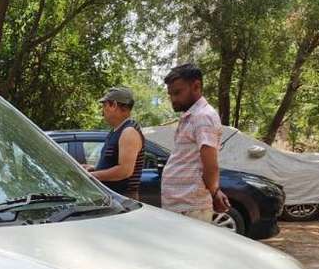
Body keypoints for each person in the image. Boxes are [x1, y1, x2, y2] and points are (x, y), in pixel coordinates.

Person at [161, 63, 230, 222]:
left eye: (177, 93)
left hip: (191, 208)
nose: (173, 99)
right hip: (180, 206)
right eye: (170, 94)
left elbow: (210, 165)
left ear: (196, 86)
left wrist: (214, 192)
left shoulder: (203, 116)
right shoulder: (191, 116)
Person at [85, 87, 145, 201]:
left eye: (104, 105)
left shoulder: (129, 132)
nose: (102, 111)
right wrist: (93, 168)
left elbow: (124, 171)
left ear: (114, 105)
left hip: (123, 200)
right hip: (114, 198)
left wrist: (91, 177)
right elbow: (113, 163)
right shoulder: (116, 130)